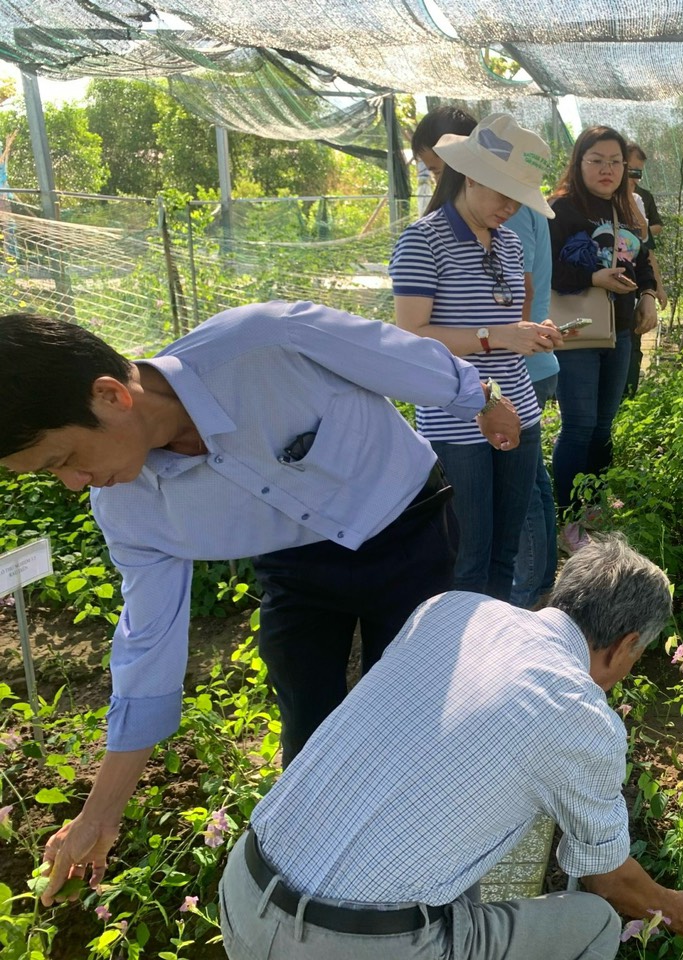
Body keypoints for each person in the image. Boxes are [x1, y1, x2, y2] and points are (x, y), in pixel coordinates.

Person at [0, 302, 523, 905]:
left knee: (416, 711)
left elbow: (397, 357)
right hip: (294, 563)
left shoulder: (265, 342)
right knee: (305, 713)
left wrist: (479, 398)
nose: (71, 483)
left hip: (404, 527)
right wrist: (99, 816)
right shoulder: (129, 508)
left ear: (111, 396)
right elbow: (147, 651)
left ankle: (431, 881)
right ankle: (324, 887)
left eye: (62, 460)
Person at [217, 536, 683, 960]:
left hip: (242, 892)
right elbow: (609, 882)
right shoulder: (578, 713)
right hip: (354, 947)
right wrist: (675, 906)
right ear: (625, 646)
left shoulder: (452, 609)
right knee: (591, 924)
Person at [392, 113, 565, 601]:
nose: (510, 207)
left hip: (522, 413)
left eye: (519, 198)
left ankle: (497, 649)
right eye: (501, 193)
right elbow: (412, 337)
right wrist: (499, 337)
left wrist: (532, 334)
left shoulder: (509, 244)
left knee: (504, 550)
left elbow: (507, 322)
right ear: (469, 175)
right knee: (467, 558)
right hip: (457, 420)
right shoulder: (423, 241)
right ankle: (465, 662)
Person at [549, 126, 658, 518]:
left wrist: (647, 295)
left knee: (602, 427)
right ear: (579, 164)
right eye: (596, 161)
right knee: (578, 425)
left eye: (615, 162)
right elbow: (544, 270)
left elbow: (641, 262)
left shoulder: (626, 208)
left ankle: (591, 509)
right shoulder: (560, 209)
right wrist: (592, 278)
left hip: (620, 331)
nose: (607, 169)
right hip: (577, 330)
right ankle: (567, 516)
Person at [623, 143, 667, 396]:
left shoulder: (639, 200)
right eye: (630, 171)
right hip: (593, 310)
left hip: (629, 296)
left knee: (631, 352)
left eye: (637, 173)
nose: (632, 179)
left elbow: (646, 250)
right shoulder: (579, 206)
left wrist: (654, 289)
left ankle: (628, 406)